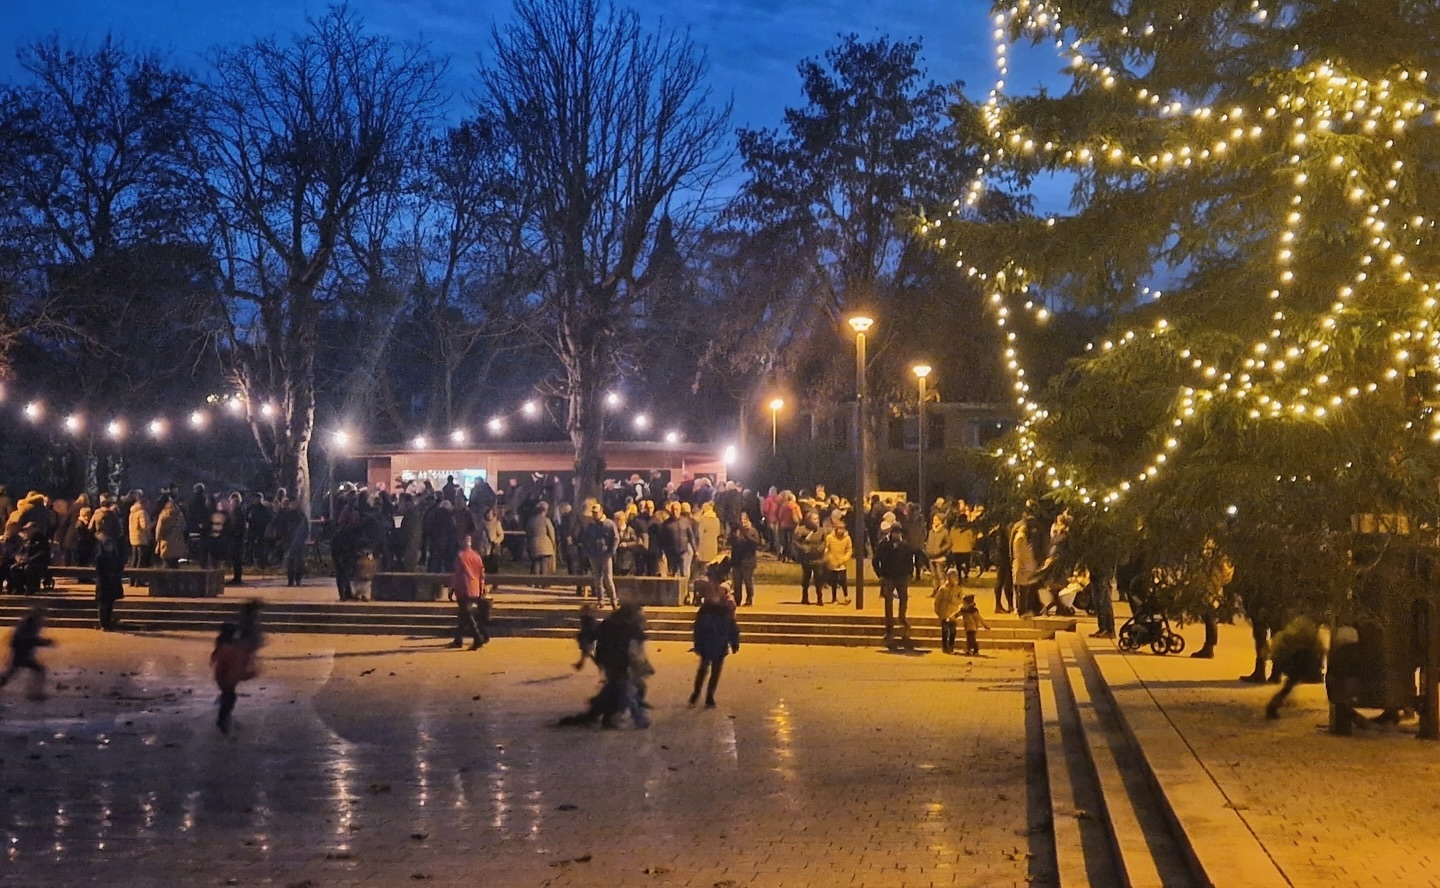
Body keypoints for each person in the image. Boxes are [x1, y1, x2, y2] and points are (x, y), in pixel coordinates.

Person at [690, 572, 740, 708]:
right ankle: (699, 693)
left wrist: (734, 642)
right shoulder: (708, 609)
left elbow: (732, 626)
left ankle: (708, 695)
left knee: (711, 671)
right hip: (710, 643)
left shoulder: (723, 609)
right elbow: (698, 627)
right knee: (705, 670)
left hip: (717, 642)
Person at [1265, 615, 1323, 719]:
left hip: (1290, 657)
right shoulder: (1306, 629)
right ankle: (1272, 706)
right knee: (1289, 684)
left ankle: (1274, 706)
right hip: (1293, 658)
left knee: (1289, 685)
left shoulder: (1299, 626)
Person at [210, 622, 257, 734]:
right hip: (227, 678)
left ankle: (225, 719)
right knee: (229, 697)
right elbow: (236, 666)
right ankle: (222, 721)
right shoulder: (230, 649)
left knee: (229, 697)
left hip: (223, 676)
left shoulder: (224, 646)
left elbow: (216, 658)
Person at [0, 606, 54, 700]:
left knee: (12, 672)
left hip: (21, 652)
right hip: (22, 653)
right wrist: (45, 642)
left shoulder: (28, 622)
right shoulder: (31, 623)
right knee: (39, 670)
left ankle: (34, 692)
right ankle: (34, 693)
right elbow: (30, 640)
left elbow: (23, 638)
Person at [873, 524, 913, 645]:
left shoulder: (905, 546)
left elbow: (910, 560)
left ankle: (902, 619)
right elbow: (875, 560)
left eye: (898, 533)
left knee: (903, 598)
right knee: (888, 603)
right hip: (888, 577)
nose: (896, 535)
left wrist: (909, 574)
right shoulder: (884, 545)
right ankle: (889, 629)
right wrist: (881, 574)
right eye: (894, 532)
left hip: (902, 577)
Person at [449, 533, 489, 650]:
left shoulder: (461, 556)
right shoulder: (477, 556)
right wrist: (482, 588)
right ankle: (458, 639)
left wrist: (452, 588)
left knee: (466, 614)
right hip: (475, 588)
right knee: (463, 614)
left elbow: (458, 575)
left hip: (464, 588)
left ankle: (478, 637)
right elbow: (482, 574)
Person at [579, 503, 619, 608]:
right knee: (597, 579)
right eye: (593, 513)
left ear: (601, 512)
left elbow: (616, 538)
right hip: (593, 554)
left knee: (608, 578)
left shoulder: (609, 524)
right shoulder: (590, 525)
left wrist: (612, 551)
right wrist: (587, 551)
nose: (594, 515)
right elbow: (585, 539)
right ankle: (600, 600)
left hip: (606, 554)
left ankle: (613, 600)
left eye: (596, 513)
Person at [793, 511, 827, 606]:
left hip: (818, 558)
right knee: (806, 577)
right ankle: (805, 597)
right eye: (814, 519)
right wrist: (804, 548)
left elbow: (824, 542)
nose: (816, 521)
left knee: (819, 578)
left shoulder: (822, 531)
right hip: (806, 558)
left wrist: (819, 548)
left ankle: (820, 598)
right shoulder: (802, 531)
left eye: (817, 519)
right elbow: (795, 542)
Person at [94, 530, 126, 631]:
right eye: (107, 545)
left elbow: (120, 567)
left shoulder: (115, 557)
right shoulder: (100, 557)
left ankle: (108, 622)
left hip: (112, 583)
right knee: (103, 604)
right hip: (104, 583)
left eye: (110, 545)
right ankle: (103, 623)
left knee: (110, 604)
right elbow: (99, 570)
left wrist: (116, 574)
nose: (109, 547)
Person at [728, 513, 762, 607]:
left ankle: (749, 599)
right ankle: (737, 600)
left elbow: (755, 544)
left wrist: (745, 533)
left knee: (748, 581)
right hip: (736, 561)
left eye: (744, 520)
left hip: (748, 561)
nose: (742, 522)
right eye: (741, 520)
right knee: (737, 583)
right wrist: (734, 534)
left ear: (748, 520)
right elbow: (730, 542)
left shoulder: (752, 531)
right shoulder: (736, 531)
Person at [934, 568, 965, 654]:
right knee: (945, 631)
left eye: (956, 576)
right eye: (952, 576)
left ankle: (951, 646)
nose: (954, 578)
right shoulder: (943, 589)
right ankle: (944, 647)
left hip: (953, 613)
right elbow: (937, 601)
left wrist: (954, 601)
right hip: (944, 613)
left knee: (953, 631)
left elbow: (961, 600)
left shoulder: (958, 589)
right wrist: (938, 611)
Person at [823, 520, 854, 605]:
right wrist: (830, 558)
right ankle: (834, 598)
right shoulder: (829, 537)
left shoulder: (847, 538)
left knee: (843, 580)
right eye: (839, 528)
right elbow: (826, 549)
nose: (841, 530)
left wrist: (843, 559)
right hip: (832, 563)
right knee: (833, 581)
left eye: (843, 528)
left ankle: (846, 596)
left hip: (842, 563)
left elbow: (849, 550)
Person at [155, 498, 188, 568]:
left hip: (166, 541)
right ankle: (175, 578)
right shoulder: (179, 515)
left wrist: (158, 539)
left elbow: (159, 529)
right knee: (175, 563)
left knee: (166, 562)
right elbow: (184, 527)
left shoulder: (164, 515)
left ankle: (165, 578)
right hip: (178, 542)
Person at [527, 501, 558, 575]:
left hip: (534, 544)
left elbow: (528, 532)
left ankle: (536, 580)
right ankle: (544, 581)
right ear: (545, 510)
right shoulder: (546, 520)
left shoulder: (531, 520)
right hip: (545, 544)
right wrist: (553, 543)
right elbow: (551, 533)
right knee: (544, 563)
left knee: (536, 563)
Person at [924, 513, 951, 590]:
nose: (934, 521)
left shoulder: (944, 532)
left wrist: (940, 550)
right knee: (934, 575)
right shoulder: (931, 532)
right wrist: (927, 549)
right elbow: (928, 541)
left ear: (941, 521)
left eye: (936, 520)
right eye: (933, 520)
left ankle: (942, 590)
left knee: (940, 575)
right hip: (931, 556)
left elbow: (949, 543)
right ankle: (935, 590)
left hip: (940, 557)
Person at [574, 603, 600, 671]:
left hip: (588, 638)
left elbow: (588, 629)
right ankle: (580, 664)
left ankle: (599, 665)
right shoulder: (587, 619)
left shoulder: (589, 620)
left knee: (587, 652)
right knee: (585, 652)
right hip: (587, 638)